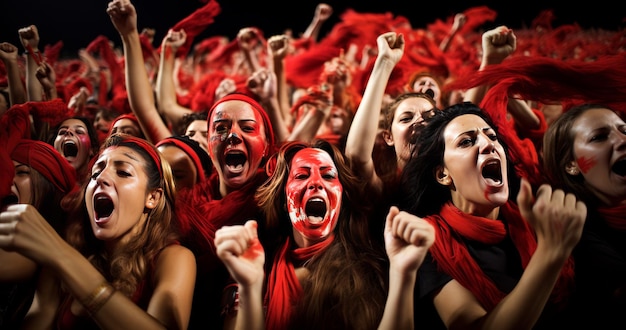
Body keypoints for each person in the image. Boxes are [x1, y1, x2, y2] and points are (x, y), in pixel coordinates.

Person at [400, 102, 586, 329]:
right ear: (443, 174)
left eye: (492, 136)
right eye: (466, 141)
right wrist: (549, 255)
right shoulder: (427, 241)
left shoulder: (534, 219)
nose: (488, 144)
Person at [215, 139, 435, 329]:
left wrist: (402, 273)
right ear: (283, 200)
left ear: (341, 198)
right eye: (301, 175)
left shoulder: (370, 269)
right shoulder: (252, 265)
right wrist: (249, 287)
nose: (316, 184)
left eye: (328, 176)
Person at [0, 133, 196, 329]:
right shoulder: (68, 251)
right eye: (95, 173)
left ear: (152, 197)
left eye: (123, 172)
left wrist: (64, 258)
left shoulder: (174, 258)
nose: (101, 177)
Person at [172, 90, 277, 328]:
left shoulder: (279, 201)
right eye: (220, 128)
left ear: (267, 144)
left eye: (248, 128)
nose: (232, 135)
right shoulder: (183, 206)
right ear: (208, 144)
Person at [541, 103, 626, 328]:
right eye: (599, 137)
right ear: (571, 165)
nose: (622, 139)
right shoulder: (577, 232)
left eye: (624, 130)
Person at [0, 139, 77, 329]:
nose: (8, 178)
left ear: (48, 187)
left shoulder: (35, 254)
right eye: (6, 170)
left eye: (22, 172)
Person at [48, 116, 100, 184]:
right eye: (62, 132)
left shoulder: (97, 185)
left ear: (92, 149)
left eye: (79, 132)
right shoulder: (44, 188)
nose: (68, 131)